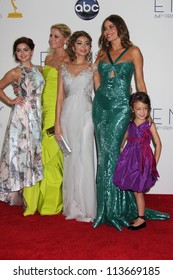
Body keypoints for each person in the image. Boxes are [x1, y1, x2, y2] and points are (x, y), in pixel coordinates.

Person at [92, 14, 170, 230]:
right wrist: (99, 94)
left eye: (111, 26)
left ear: (120, 28)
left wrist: (145, 110)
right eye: (105, 28)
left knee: (116, 154)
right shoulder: (101, 54)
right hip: (101, 109)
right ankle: (105, 208)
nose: (108, 31)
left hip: (121, 110)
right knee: (103, 156)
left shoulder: (134, 51)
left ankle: (119, 207)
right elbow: (95, 78)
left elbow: (140, 82)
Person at [23, 24, 72, 216]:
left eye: (57, 36)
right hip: (42, 108)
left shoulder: (68, 59)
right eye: (51, 35)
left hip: (56, 109)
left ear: (66, 39)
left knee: (51, 153)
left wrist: (59, 116)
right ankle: (43, 199)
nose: (52, 39)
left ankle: (52, 203)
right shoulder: (49, 58)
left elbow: (64, 89)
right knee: (41, 153)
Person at [55, 31, 100, 222]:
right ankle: (73, 204)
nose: (83, 46)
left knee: (85, 158)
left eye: (87, 44)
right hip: (66, 117)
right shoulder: (63, 67)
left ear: (90, 48)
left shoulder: (93, 68)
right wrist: (57, 123)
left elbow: (100, 95)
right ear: (72, 45)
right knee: (71, 159)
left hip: (87, 115)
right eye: (80, 43)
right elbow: (59, 98)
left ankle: (86, 206)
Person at [0, 37, 45, 206]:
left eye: (25, 49)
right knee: (19, 152)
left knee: (32, 151)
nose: (22, 53)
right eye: (18, 50)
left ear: (32, 51)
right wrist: (11, 101)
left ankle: (30, 192)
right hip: (21, 116)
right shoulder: (15, 72)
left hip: (37, 115)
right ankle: (17, 192)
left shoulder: (40, 69)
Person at [113, 92, 162, 230]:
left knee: (138, 191)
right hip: (131, 162)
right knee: (135, 190)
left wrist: (154, 164)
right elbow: (125, 138)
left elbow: (158, 144)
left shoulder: (149, 125)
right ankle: (140, 216)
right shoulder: (130, 124)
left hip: (142, 162)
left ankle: (141, 218)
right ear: (132, 109)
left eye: (145, 108)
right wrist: (122, 147)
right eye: (139, 109)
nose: (142, 112)